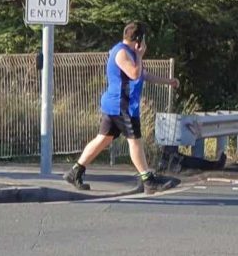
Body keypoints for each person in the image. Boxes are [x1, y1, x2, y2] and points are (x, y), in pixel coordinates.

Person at [64, 22, 179, 194]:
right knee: (135, 141)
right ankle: (148, 180)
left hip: (118, 105)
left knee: (103, 139)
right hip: (121, 105)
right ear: (139, 40)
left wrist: (168, 81)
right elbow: (134, 74)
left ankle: (76, 171)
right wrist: (140, 56)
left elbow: (143, 74)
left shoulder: (130, 52)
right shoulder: (121, 53)